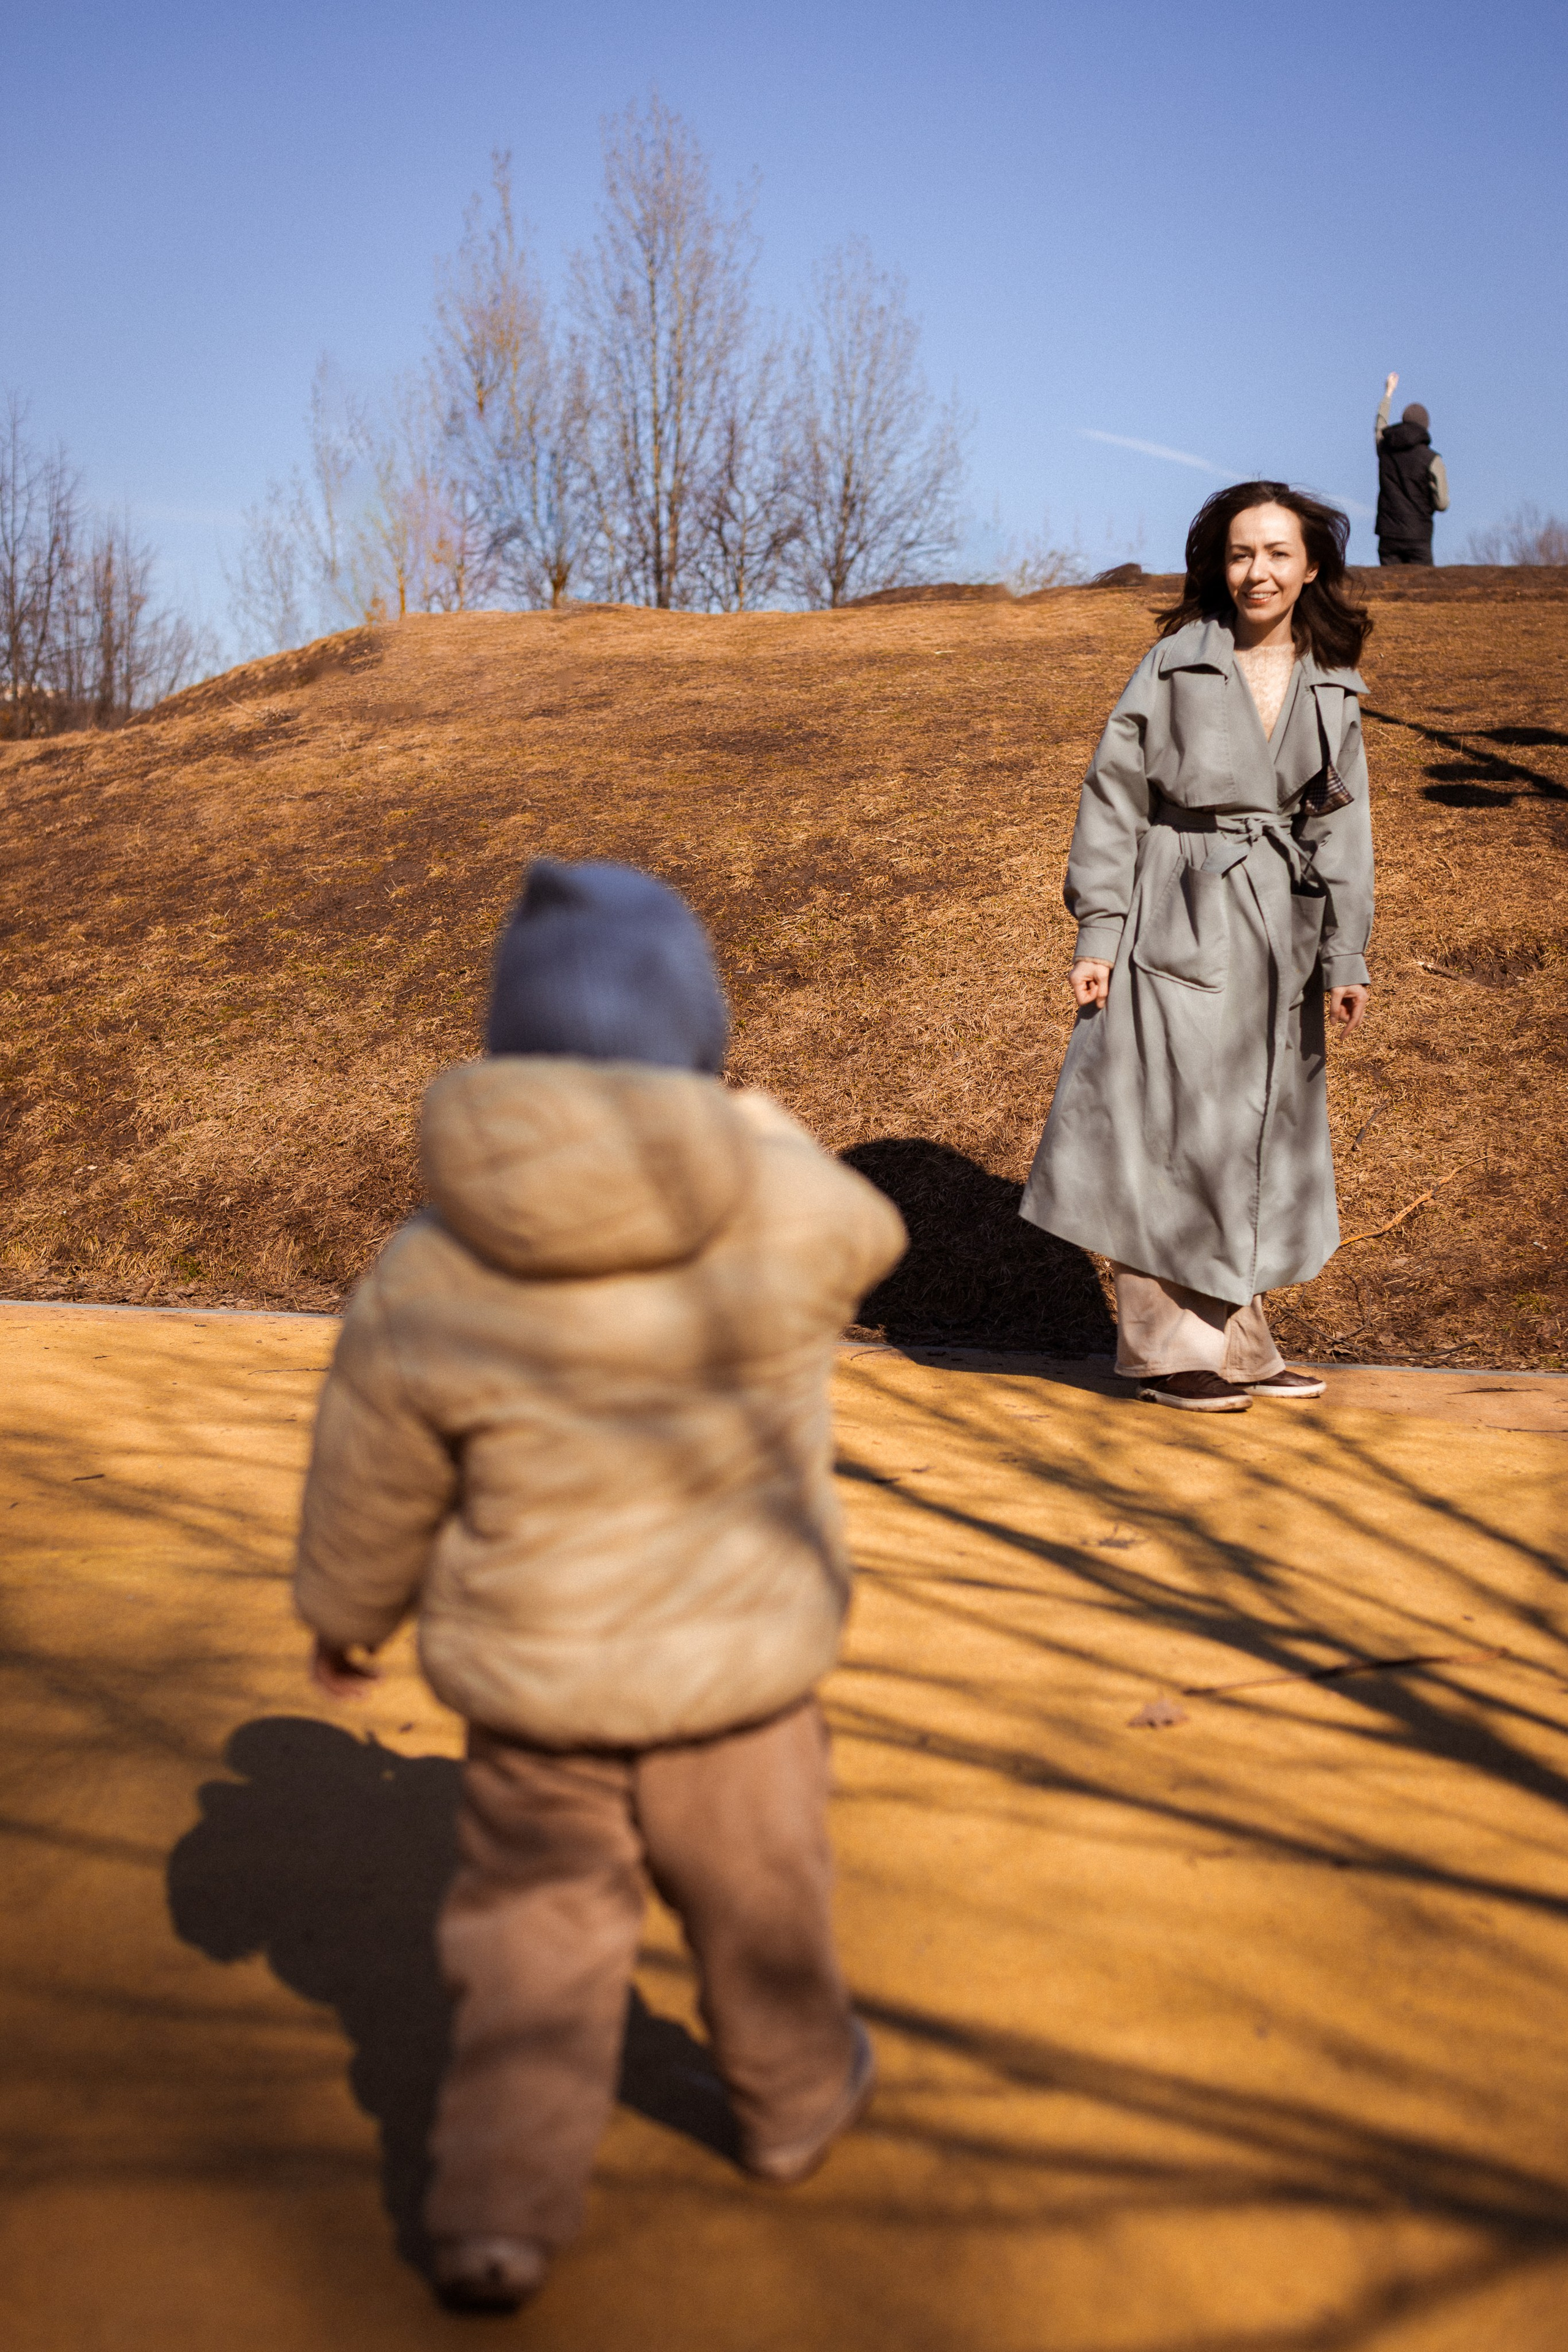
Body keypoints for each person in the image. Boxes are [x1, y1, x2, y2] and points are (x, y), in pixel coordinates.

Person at [293, 859, 906, 2311]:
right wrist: (749, 1121)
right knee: (764, 1905)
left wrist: (346, 1606)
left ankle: (497, 2207)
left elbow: (372, 1461)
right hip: (734, 1680)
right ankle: (794, 2097)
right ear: (694, 1041)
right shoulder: (767, 1212)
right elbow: (867, 1231)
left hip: (537, 1685)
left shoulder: (432, 1260)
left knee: (531, 1940)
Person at [1019, 483, 1374, 1412]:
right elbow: (1116, 792)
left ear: (1312, 566)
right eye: (1240, 554)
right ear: (1220, 566)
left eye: (1278, 554)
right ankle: (1163, 1348)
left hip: (1276, 931)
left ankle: (1238, 1345)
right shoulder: (1176, 663)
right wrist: (1099, 927)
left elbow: (1343, 830)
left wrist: (1344, 955)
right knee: (1164, 1130)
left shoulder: (1332, 682)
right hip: (1173, 908)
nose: (1258, 571)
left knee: (1251, 1132)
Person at [1374, 370, 1450, 565]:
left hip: (1388, 535)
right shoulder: (1432, 459)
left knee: (1389, 592)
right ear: (1425, 428)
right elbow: (1442, 503)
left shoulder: (1385, 448)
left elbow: (1380, 426)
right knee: (1423, 592)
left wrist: (1388, 393)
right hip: (1419, 536)